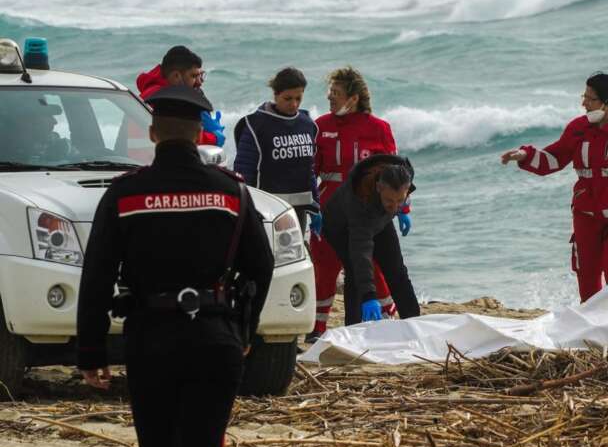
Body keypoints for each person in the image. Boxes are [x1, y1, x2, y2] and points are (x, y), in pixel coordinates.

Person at [77, 85, 273, 447]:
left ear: (152, 133)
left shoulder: (124, 193)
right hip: (216, 339)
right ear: (201, 134)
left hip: (151, 340)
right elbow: (262, 264)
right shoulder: (232, 192)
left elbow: (96, 275)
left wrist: (91, 353)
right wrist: (245, 330)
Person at [501, 72, 608, 303]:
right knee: (586, 274)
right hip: (585, 211)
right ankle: (592, 327)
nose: (584, 103)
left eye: (590, 98)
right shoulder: (578, 128)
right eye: (584, 96)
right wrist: (524, 155)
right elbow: (554, 158)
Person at [308, 66, 408, 338]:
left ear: (353, 98)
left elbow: (397, 173)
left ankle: (387, 319)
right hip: (329, 211)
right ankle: (316, 328)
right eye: (330, 92)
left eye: (336, 93)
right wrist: (310, 206)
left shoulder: (379, 129)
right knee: (324, 266)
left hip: (368, 213)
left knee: (372, 266)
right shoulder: (320, 126)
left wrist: (403, 209)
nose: (331, 97)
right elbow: (310, 171)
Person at [321, 154, 421, 325]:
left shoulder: (403, 176)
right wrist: (369, 296)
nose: (395, 206)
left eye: (400, 200)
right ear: (378, 187)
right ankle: (354, 327)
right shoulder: (360, 200)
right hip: (340, 227)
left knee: (397, 270)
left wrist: (403, 211)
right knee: (355, 271)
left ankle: (414, 323)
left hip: (379, 220)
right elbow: (361, 253)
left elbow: (397, 200)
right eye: (390, 200)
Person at [233, 67, 319, 229]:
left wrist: (315, 207)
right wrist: (245, 209)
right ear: (276, 94)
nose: (294, 104)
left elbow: (309, 170)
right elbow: (244, 170)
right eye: (287, 98)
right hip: (266, 210)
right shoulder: (256, 125)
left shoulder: (307, 124)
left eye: (298, 98)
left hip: (299, 210)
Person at [136, 45, 225, 146]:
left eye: (200, 75)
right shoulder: (163, 99)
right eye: (193, 76)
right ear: (176, 76)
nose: (199, 82)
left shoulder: (150, 93)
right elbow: (179, 136)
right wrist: (214, 138)